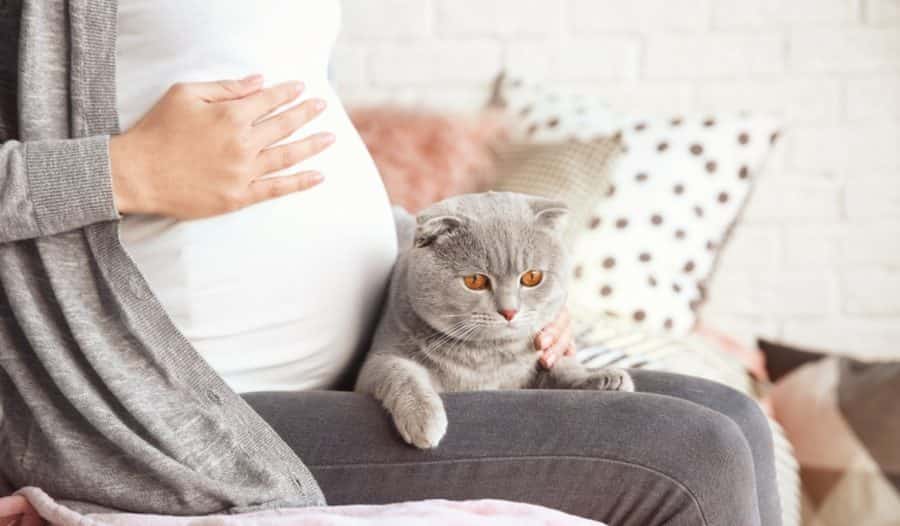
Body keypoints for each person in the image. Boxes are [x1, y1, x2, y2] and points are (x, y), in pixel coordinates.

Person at [0, 1, 781, 525]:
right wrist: (127, 172)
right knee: (691, 457)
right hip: (184, 412)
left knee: (736, 416)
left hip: (377, 351)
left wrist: (492, 285)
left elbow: (301, 155)